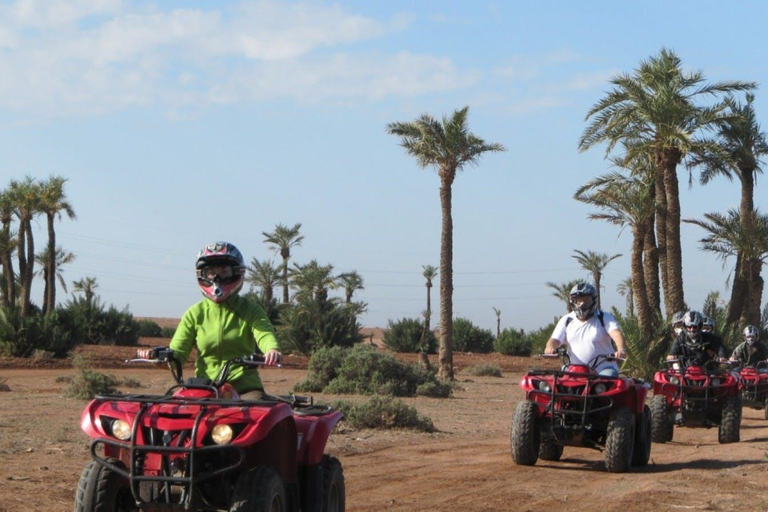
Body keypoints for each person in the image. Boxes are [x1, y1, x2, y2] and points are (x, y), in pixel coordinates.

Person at [137, 241, 282, 400]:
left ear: (236, 272)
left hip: (244, 389)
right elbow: (178, 353)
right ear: (202, 275)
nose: (217, 278)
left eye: (224, 271)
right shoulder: (195, 314)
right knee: (172, 409)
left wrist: (271, 350)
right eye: (211, 272)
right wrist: (156, 357)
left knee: (255, 412)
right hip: (204, 388)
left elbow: (264, 333)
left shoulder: (250, 310)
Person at [544, 283, 628, 376]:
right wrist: (550, 347)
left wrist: (621, 349)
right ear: (572, 302)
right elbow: (555, 339)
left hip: (602, 369)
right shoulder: (567, 320)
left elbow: (616, 334)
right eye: (578, 301)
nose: (582, 304)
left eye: (586, 300)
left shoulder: (604, 317)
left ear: (594, 300)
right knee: (557, 383)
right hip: (573, 369)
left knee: (607, 382)